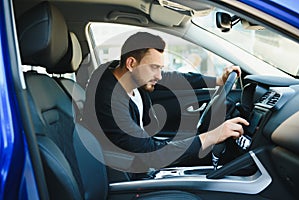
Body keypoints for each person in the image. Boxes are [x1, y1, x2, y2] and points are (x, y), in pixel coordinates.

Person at [82, 32, 248, 174]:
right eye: (154, 67)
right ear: (131, 63)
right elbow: (151, 153)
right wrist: (212, 136)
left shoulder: (123, 73)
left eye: (160, 68)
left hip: (141, 157)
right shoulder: (109, 99)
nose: (159, 76)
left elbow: (171, 79)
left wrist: (218, 80)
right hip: (126, 174)